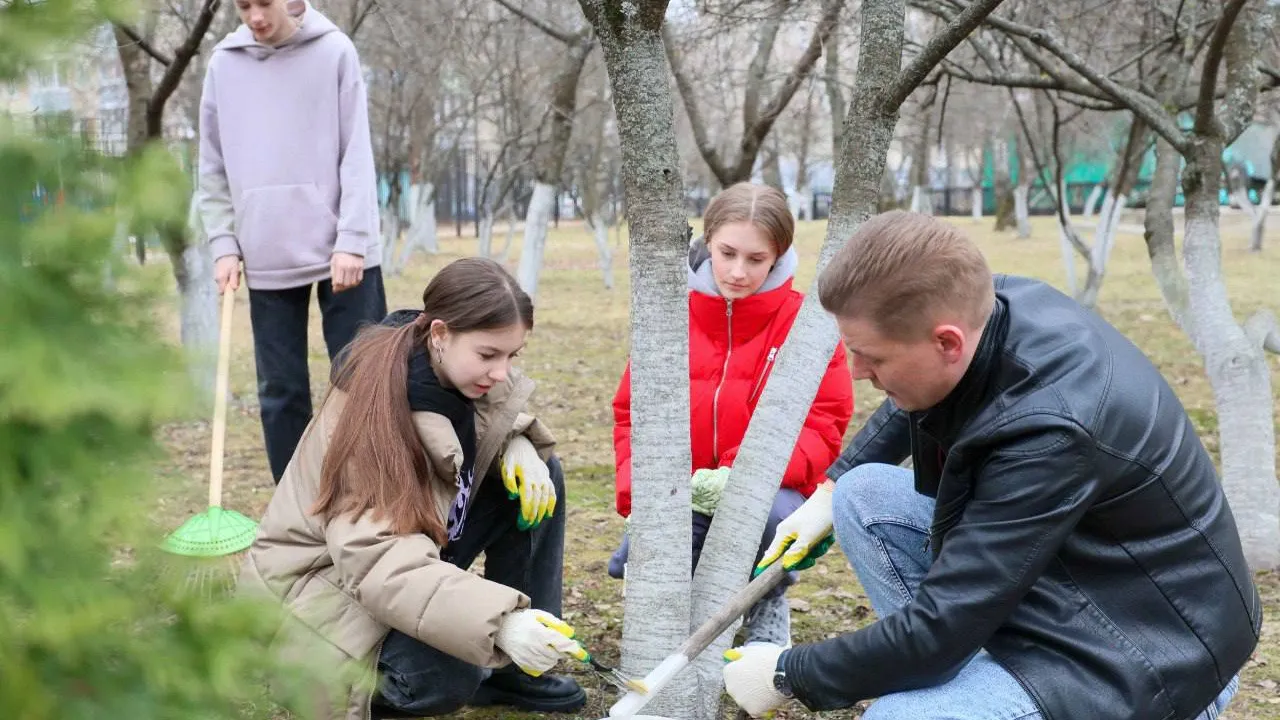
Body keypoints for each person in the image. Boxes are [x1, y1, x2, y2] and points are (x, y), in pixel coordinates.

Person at [720, 210, 1262, 720]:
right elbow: (914, 396)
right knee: (864, 496)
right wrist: (830, 491)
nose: (858, 372)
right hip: (1080, 576)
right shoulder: (988, 302)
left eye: (874, 357)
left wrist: (789, 673)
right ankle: (961, 679)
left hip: (1153, 652)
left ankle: (960, 684)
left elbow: (943, 622)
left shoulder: (1052, 431)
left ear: (946, 342)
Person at [237, 258, 589, 719]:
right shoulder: (376, 417)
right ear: (440, 334)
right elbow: (378, 560)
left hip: (409, 552)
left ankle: (519, 670)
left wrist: (518, 441)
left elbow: (491, 414)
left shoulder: (441, 366)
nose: (501, 372)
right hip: (322, 597)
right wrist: (500, 623)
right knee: (446, 671)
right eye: (488, 355)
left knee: (545, 478)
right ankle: (384, 692)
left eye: (511, 355)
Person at [609, 182, 854, 647]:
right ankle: (683, 613)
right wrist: (637, 494)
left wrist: (741, 474)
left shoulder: (807, 323)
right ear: (707, 243)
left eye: (756, 259)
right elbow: (630, 414)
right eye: (727, 253)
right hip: (680, 487)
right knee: (635, 556)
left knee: (771, 519)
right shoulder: (669, 315)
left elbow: (825, 423)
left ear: (779, 257)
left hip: (768, 487)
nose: (738, 271)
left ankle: (764, 602)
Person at [198, 0, 387, 484]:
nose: (255, 17)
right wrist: (223, 243)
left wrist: (353, 239)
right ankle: (294, 511)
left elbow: (356, 154)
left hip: (343, 252)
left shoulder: (335, 52)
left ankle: (367, 498)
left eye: (264, 3)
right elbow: (212, 164)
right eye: (244, 6)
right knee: (280, 392)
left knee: (362, 383)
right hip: (266, 251)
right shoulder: (224, 64)